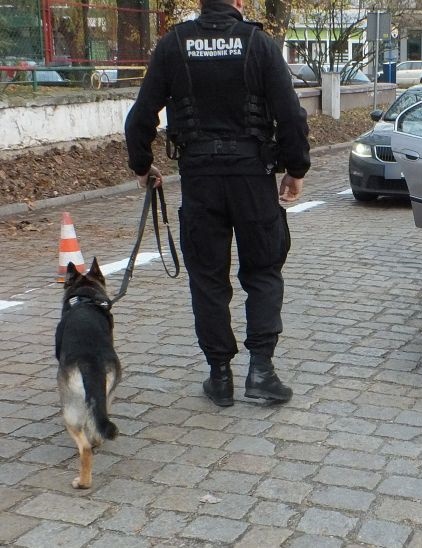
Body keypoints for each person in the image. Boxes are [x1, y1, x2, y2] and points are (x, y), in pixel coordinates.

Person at [125, 0, 310, 407]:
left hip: (200, 180)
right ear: (239, 3)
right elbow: (291, 116)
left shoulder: (173, 44)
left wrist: (142, 165)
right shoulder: (259, 44)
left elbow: (140, 117)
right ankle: (261, 371)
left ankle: (219, 375)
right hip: (252, 176)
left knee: (208, 279)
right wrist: (295, 170)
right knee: (262, 271)